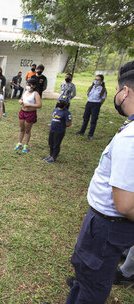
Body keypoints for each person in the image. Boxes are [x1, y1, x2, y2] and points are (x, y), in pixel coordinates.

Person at [65, 61, 134, 304]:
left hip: (107, 227)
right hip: (103, 224)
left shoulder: (131, 137)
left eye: (117, 89)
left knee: (92, 288)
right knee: (83, 277)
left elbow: (125, 204)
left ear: (124, 92)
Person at [14, 78, 42, 153]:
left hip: (30, 113)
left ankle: (25, 145)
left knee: (27, 130)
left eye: (30, 84)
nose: (28, 86)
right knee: (22, 129)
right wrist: (20, 101)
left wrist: (29, 104)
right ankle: (19, 143)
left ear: (34, 85)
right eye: (27, 84)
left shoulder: (35, 94)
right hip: (22, 112)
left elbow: (39, 105)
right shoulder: (25, 92)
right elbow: (22, 99)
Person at [75, 74, 107, 140]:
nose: (96, 81)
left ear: (101, 81)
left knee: (93, 120)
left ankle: (90, 135)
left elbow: (103, 99)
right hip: (89, 103)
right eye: (95, 79)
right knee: (85, 118)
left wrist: (98, 105)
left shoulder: (102, 89)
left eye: (98, 80)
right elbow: (88, 94)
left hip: (96, 104)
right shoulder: (92, 87)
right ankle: (82, 131)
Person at [44, 95, 72, 163]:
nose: (61, 102)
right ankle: (50, 155)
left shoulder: (66, 113)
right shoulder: (55, 109)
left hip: (59, 131)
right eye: (60, 101)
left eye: (63, 102)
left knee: (56, 144)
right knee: (51, 143)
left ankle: (54, 157)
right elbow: (53, 119)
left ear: (66, 104)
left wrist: (61, 125)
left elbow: (69, 123)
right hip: (52, 129)